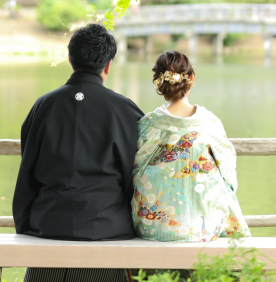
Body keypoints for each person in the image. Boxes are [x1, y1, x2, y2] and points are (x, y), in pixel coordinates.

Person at [13, 23, 144, 282]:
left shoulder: (43, 106)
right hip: (107, 227)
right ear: (108, 66)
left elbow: (27, 171)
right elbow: (137, 180)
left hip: (48, 224)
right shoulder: (125, 111)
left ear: (70, 58)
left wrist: (27, 225)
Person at [132, 51, 250, 242]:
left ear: (158, 83)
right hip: (203, 229)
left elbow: (135, 172)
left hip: (153, 227)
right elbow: (229, 178)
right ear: (191, 78)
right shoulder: (210, 124)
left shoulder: (148, 124)